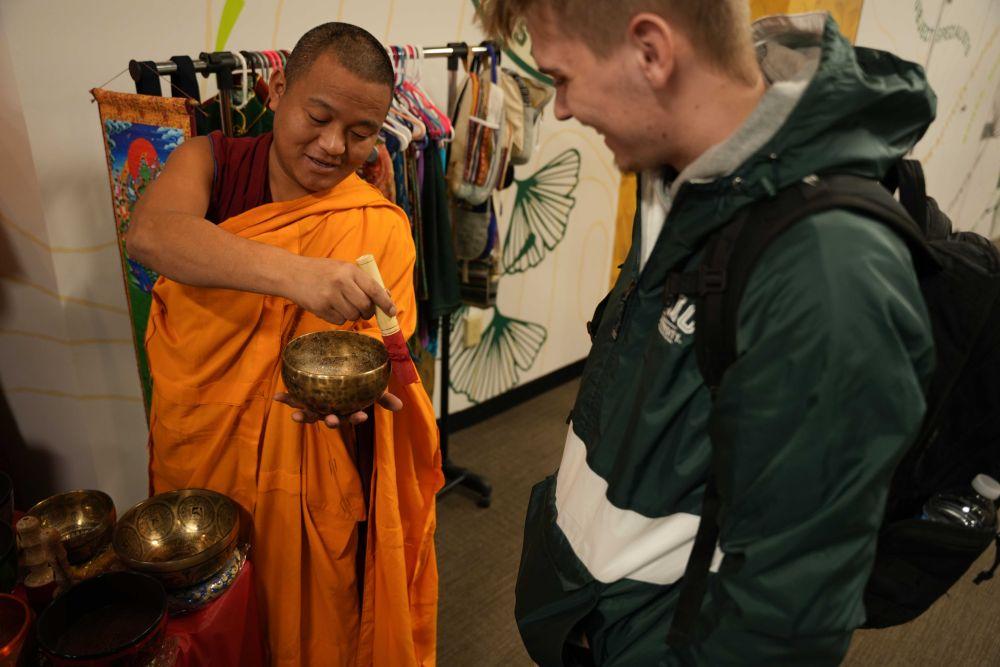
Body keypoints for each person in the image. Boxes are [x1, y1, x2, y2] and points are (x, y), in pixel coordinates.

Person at [479, 2, 935, 665]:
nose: (561, 110)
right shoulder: (679, 171)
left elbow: (787, 615)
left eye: (563, 78)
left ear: (651, 53)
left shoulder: (829, 274)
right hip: (592, 607)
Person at [127, 23, 441, 666]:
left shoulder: (379, 225)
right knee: (210, 618)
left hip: (317, 463)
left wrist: (367, 400)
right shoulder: (211, 160)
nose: (333, 147)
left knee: (312, 626)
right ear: (276, 91)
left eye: (360, 133)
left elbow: (392, 360)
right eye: (318, 117)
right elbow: (152, 235)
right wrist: (300, 277)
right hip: (205, 448)